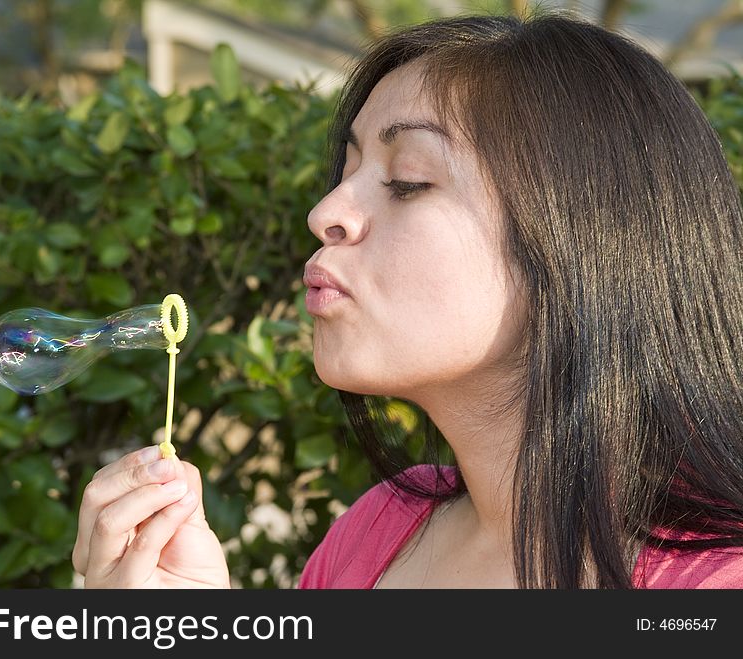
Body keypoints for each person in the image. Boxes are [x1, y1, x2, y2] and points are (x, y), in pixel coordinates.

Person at [71, 13, 743, 589]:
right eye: (348, 169)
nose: (327, 211)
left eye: (409, 179)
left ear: (585, 240)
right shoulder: (379, 532)